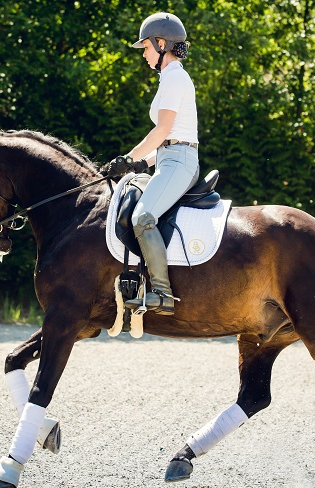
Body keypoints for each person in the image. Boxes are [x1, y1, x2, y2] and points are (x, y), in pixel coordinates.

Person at [106, 12, 200, 315]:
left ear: (162, 43)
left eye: (146, 47)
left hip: (180, 162)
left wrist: (128, 158)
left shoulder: (175, 77)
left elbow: (162, 131)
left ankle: (162, 292)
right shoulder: (168, 78)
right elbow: (169, 139)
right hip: (168, 159)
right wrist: (138, 165)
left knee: (143, 218)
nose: (144, 54)